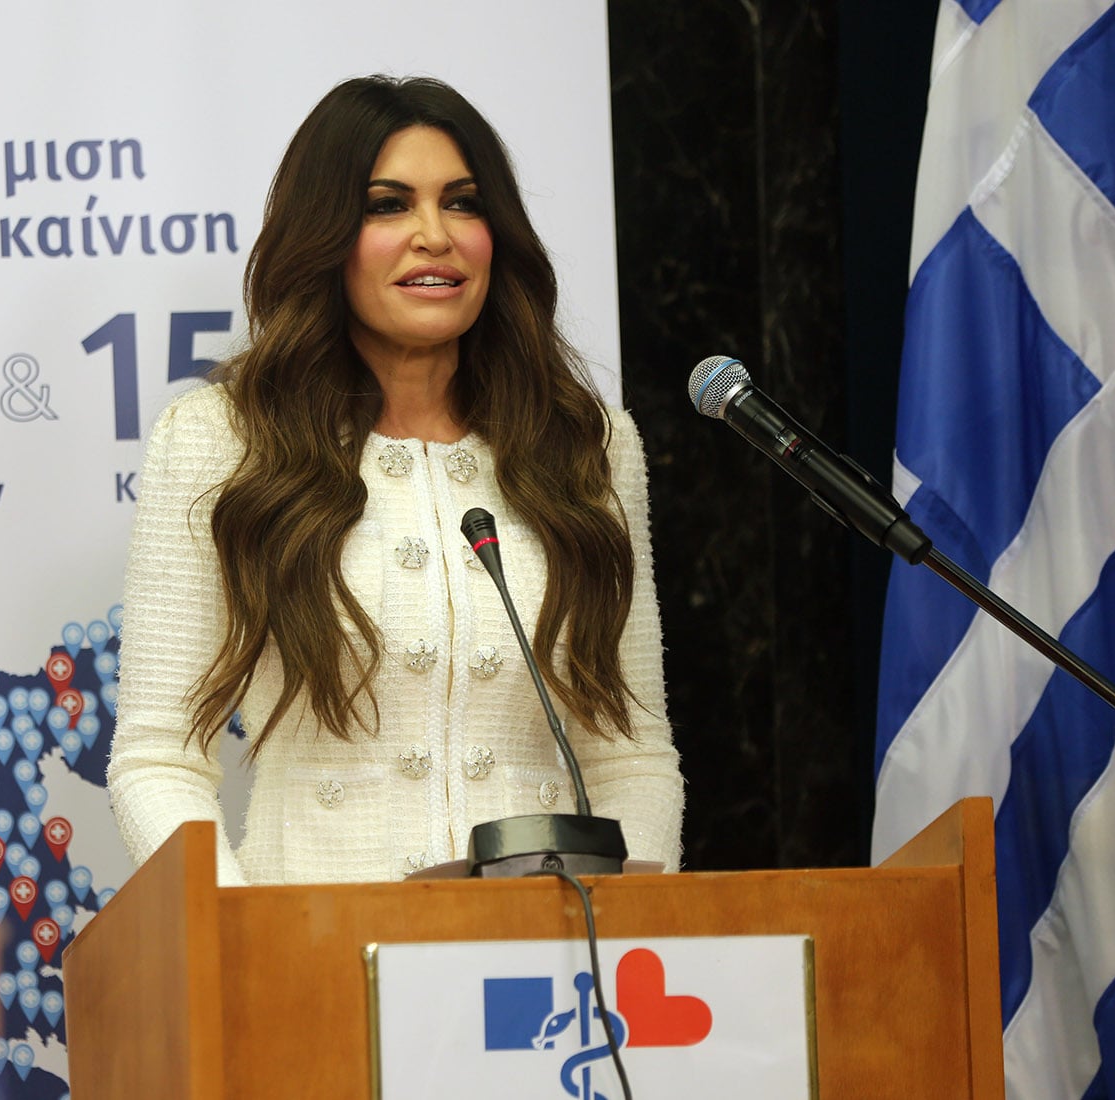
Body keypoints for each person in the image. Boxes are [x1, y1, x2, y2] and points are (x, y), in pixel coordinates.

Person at [105, 75, 683, 886]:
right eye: (388, 206)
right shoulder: (223, 441)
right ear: (326, 236)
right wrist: (240, 933)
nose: (434, 236)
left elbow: (631, 755)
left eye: (463, 203)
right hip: (310, 937)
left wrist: (625, 925)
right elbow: (158, 757)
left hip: (547, 945)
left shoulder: (586, 445)